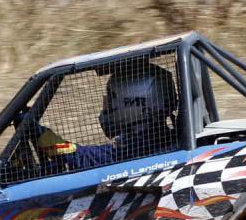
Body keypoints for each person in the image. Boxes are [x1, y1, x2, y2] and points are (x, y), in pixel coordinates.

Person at [35, 62, 178, 172]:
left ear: (135, 103)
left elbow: (76, 157)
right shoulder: (169, 138)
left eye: (111, 99)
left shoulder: (134, 150)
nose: (106, 107)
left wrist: (33, 130)